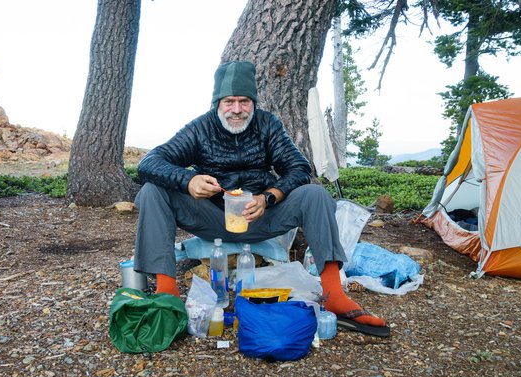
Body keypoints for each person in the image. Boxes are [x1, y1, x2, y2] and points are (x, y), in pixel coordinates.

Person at [134, 61, 389, 337]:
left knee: (315, 194)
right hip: (212, 216)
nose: (236, 109)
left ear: (253, 102)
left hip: (260, 217)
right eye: (229, 101)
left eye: (244, 101)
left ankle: (334, 294)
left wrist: (269, 197)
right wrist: (188, 180)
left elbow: (299, 168)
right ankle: (167, 293)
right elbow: (149, 163)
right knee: (152, 190)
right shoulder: (199, 129)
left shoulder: (267, 124)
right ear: (217, 102)